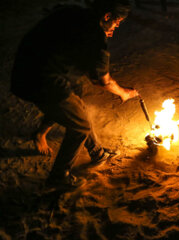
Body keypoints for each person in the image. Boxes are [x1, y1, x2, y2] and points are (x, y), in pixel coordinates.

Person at [11, 0, 139, 187]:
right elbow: (103, 81)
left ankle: (96, 153)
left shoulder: (73, 12)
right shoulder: (96, 39)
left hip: (26, 69)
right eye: (117, 21)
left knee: (75, 97)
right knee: (80, 126)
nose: (117, 26)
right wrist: (123, 93)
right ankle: (58, 177)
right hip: (39, 81)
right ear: (106, 16)